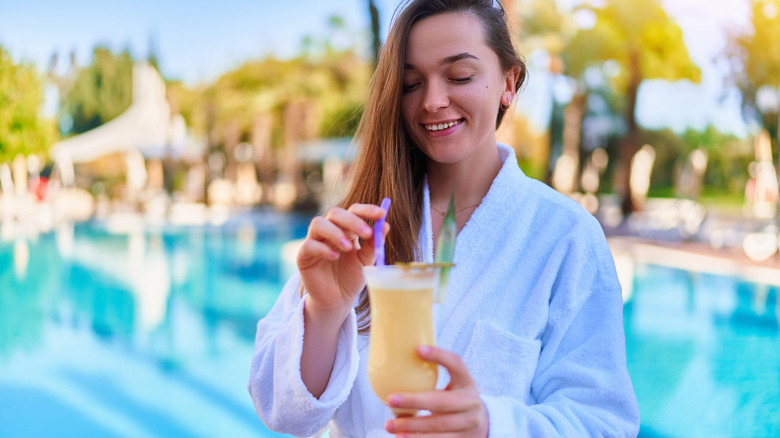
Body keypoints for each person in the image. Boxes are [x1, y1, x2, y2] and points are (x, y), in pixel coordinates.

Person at [248, 0, 640, 436]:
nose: (432, 102)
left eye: (460, 76)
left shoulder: (564, 235)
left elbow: (604, 422)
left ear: (509, 82)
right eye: (412, 84)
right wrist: (324, 310)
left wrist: (492, 425)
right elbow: (282, 412)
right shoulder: (360, 229)